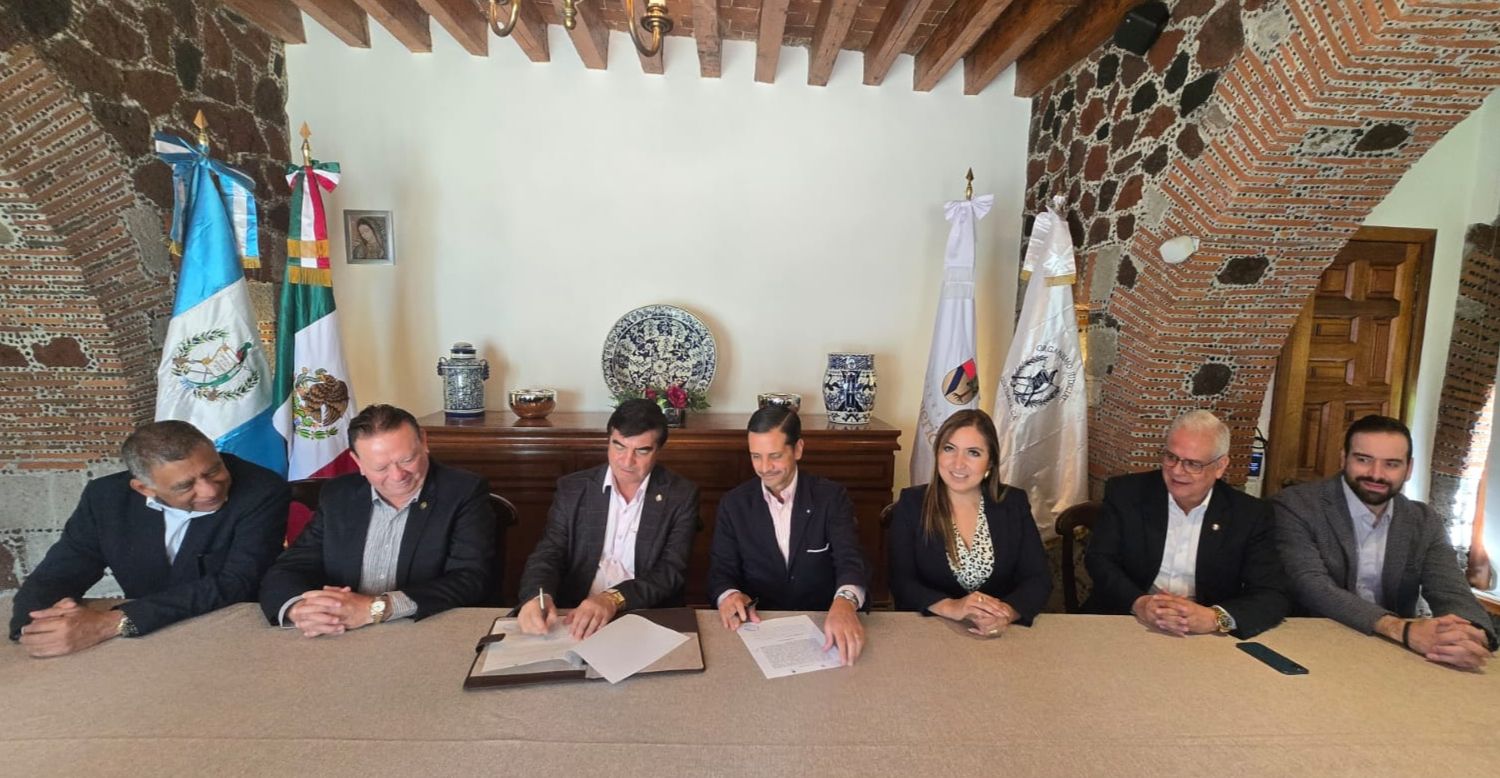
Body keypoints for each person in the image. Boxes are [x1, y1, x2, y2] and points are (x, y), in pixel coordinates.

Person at [10, 421, 289, 657]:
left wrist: (116, 622)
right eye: (185, 486)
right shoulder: (105, 498)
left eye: (213, 470)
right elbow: (60, 572)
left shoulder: (261, 490)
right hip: (144, 645)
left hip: (230, 638)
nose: (209, 491)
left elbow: (236, 582)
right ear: (144, 488)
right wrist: (35, 628)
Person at [1273, 414, 1497, 669]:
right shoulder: (1296, 506)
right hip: (1310, 646)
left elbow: (1450, 590)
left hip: (1391, 652)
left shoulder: (1423, 520)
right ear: (1343, 458)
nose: (1376, 474)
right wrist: (1400, 629)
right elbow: (1312, 586)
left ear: (1409, 469)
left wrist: (1472, 633)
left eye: (1391, 464)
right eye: (1363, 460)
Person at [259, 404, 496, 635]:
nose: (398, 475)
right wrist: (300, 609)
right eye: (381, 468)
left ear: (424, 442)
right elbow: (290, 567)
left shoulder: (462, 491)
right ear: (358, 462)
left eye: (407, 460)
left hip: (427, 630)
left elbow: (469, 579)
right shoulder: (339, 495)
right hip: (342, 632)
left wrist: (376, 608)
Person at [1085, 410, 1289, 638]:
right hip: (1125, 621)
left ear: (1220, 466)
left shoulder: (1249, 515)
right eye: (1171, 457)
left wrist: (1214, 618)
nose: (1177, 471)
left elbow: (1272, 594)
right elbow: (1099, 559)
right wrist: (1139, 603)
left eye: (1193, 464)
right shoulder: (1126, 493)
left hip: (1204, 635)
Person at [516, 399, 699, 640]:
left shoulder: (681, 495)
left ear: (658, 451)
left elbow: (670, 572)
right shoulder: (574, 489)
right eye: (619, 446)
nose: (627, 461)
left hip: (645, 615)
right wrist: (538, 596)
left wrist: (612, 598)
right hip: (574, 613)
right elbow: (549, 553)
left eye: (641, 450)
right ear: (608, 440)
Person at [708, 406, 869, 664]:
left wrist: (845, 602)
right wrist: (729, 595)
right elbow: (721, 571)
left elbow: (850, 561)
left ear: (798, 449)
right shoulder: (734, 504)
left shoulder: (831, 498)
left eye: (775, 456)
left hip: (822, 626)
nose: (764, 468)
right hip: (758, 626)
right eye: (756, 457)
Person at [887, 409, 1050, 637]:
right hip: (929, 633)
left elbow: (1038, 578)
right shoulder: (912, 504)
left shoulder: (1013, 503)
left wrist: (1005, 613)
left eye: (973, 453)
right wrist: (952, 607)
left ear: (990, 462)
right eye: (949, 449)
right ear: (937, 453)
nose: (958, 463)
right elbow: (901, 581)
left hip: (998, 635)